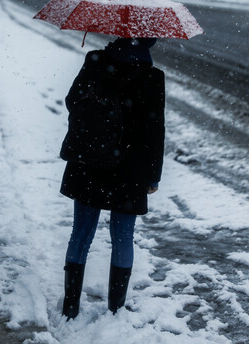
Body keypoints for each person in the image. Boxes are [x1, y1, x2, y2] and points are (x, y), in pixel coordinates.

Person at [60, 37, 165, 319]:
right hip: (130, 166)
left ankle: (70, 305)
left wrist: (99, 113)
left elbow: (72, 101)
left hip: (90, 159)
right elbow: (155, 130)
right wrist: (153, 176)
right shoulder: (152, 76)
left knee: (81, 233)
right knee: (122, 237)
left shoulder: (95, 61)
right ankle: (116, 309)